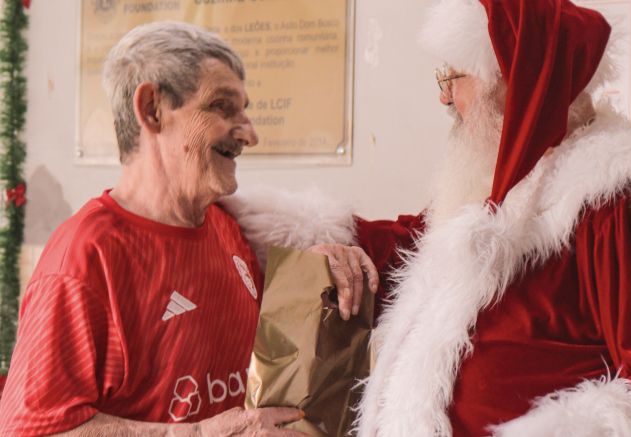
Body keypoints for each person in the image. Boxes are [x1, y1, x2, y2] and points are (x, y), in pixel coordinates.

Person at [0, 21, 378, 436]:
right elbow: (31, 429)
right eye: (221, 106)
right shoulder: (86, 257)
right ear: (152, 109)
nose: (250, 134)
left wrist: (316, 267)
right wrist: (193, 434)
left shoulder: (230, 227)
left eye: (245, 109)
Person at [349, 0, 631, 436]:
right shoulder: (510, 187)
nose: (443, 96)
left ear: (516, 80)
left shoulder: (622, 202)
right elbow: (413, 239)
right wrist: (333, 240)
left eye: (452, 77)